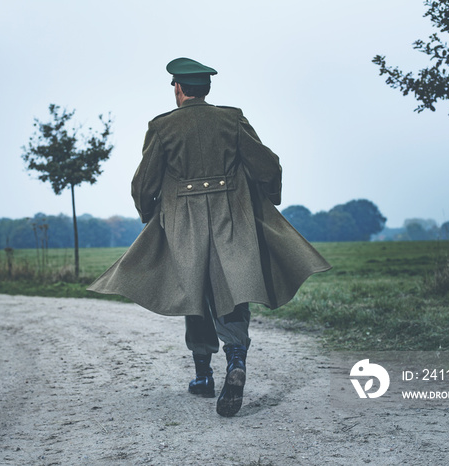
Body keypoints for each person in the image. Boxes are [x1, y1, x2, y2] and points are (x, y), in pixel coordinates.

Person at [88, 57, 331, 417]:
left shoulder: (162, 127)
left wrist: (149, 214)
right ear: (206, 89)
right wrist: (264, 200)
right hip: (233, 219)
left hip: (182, 225)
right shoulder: (232, 119)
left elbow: (143, 185)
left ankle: (203, 376)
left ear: (180, 89)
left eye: (174, 86)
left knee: (195, 291)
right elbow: (268, 166)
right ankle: (236, 361)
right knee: (233, 290)